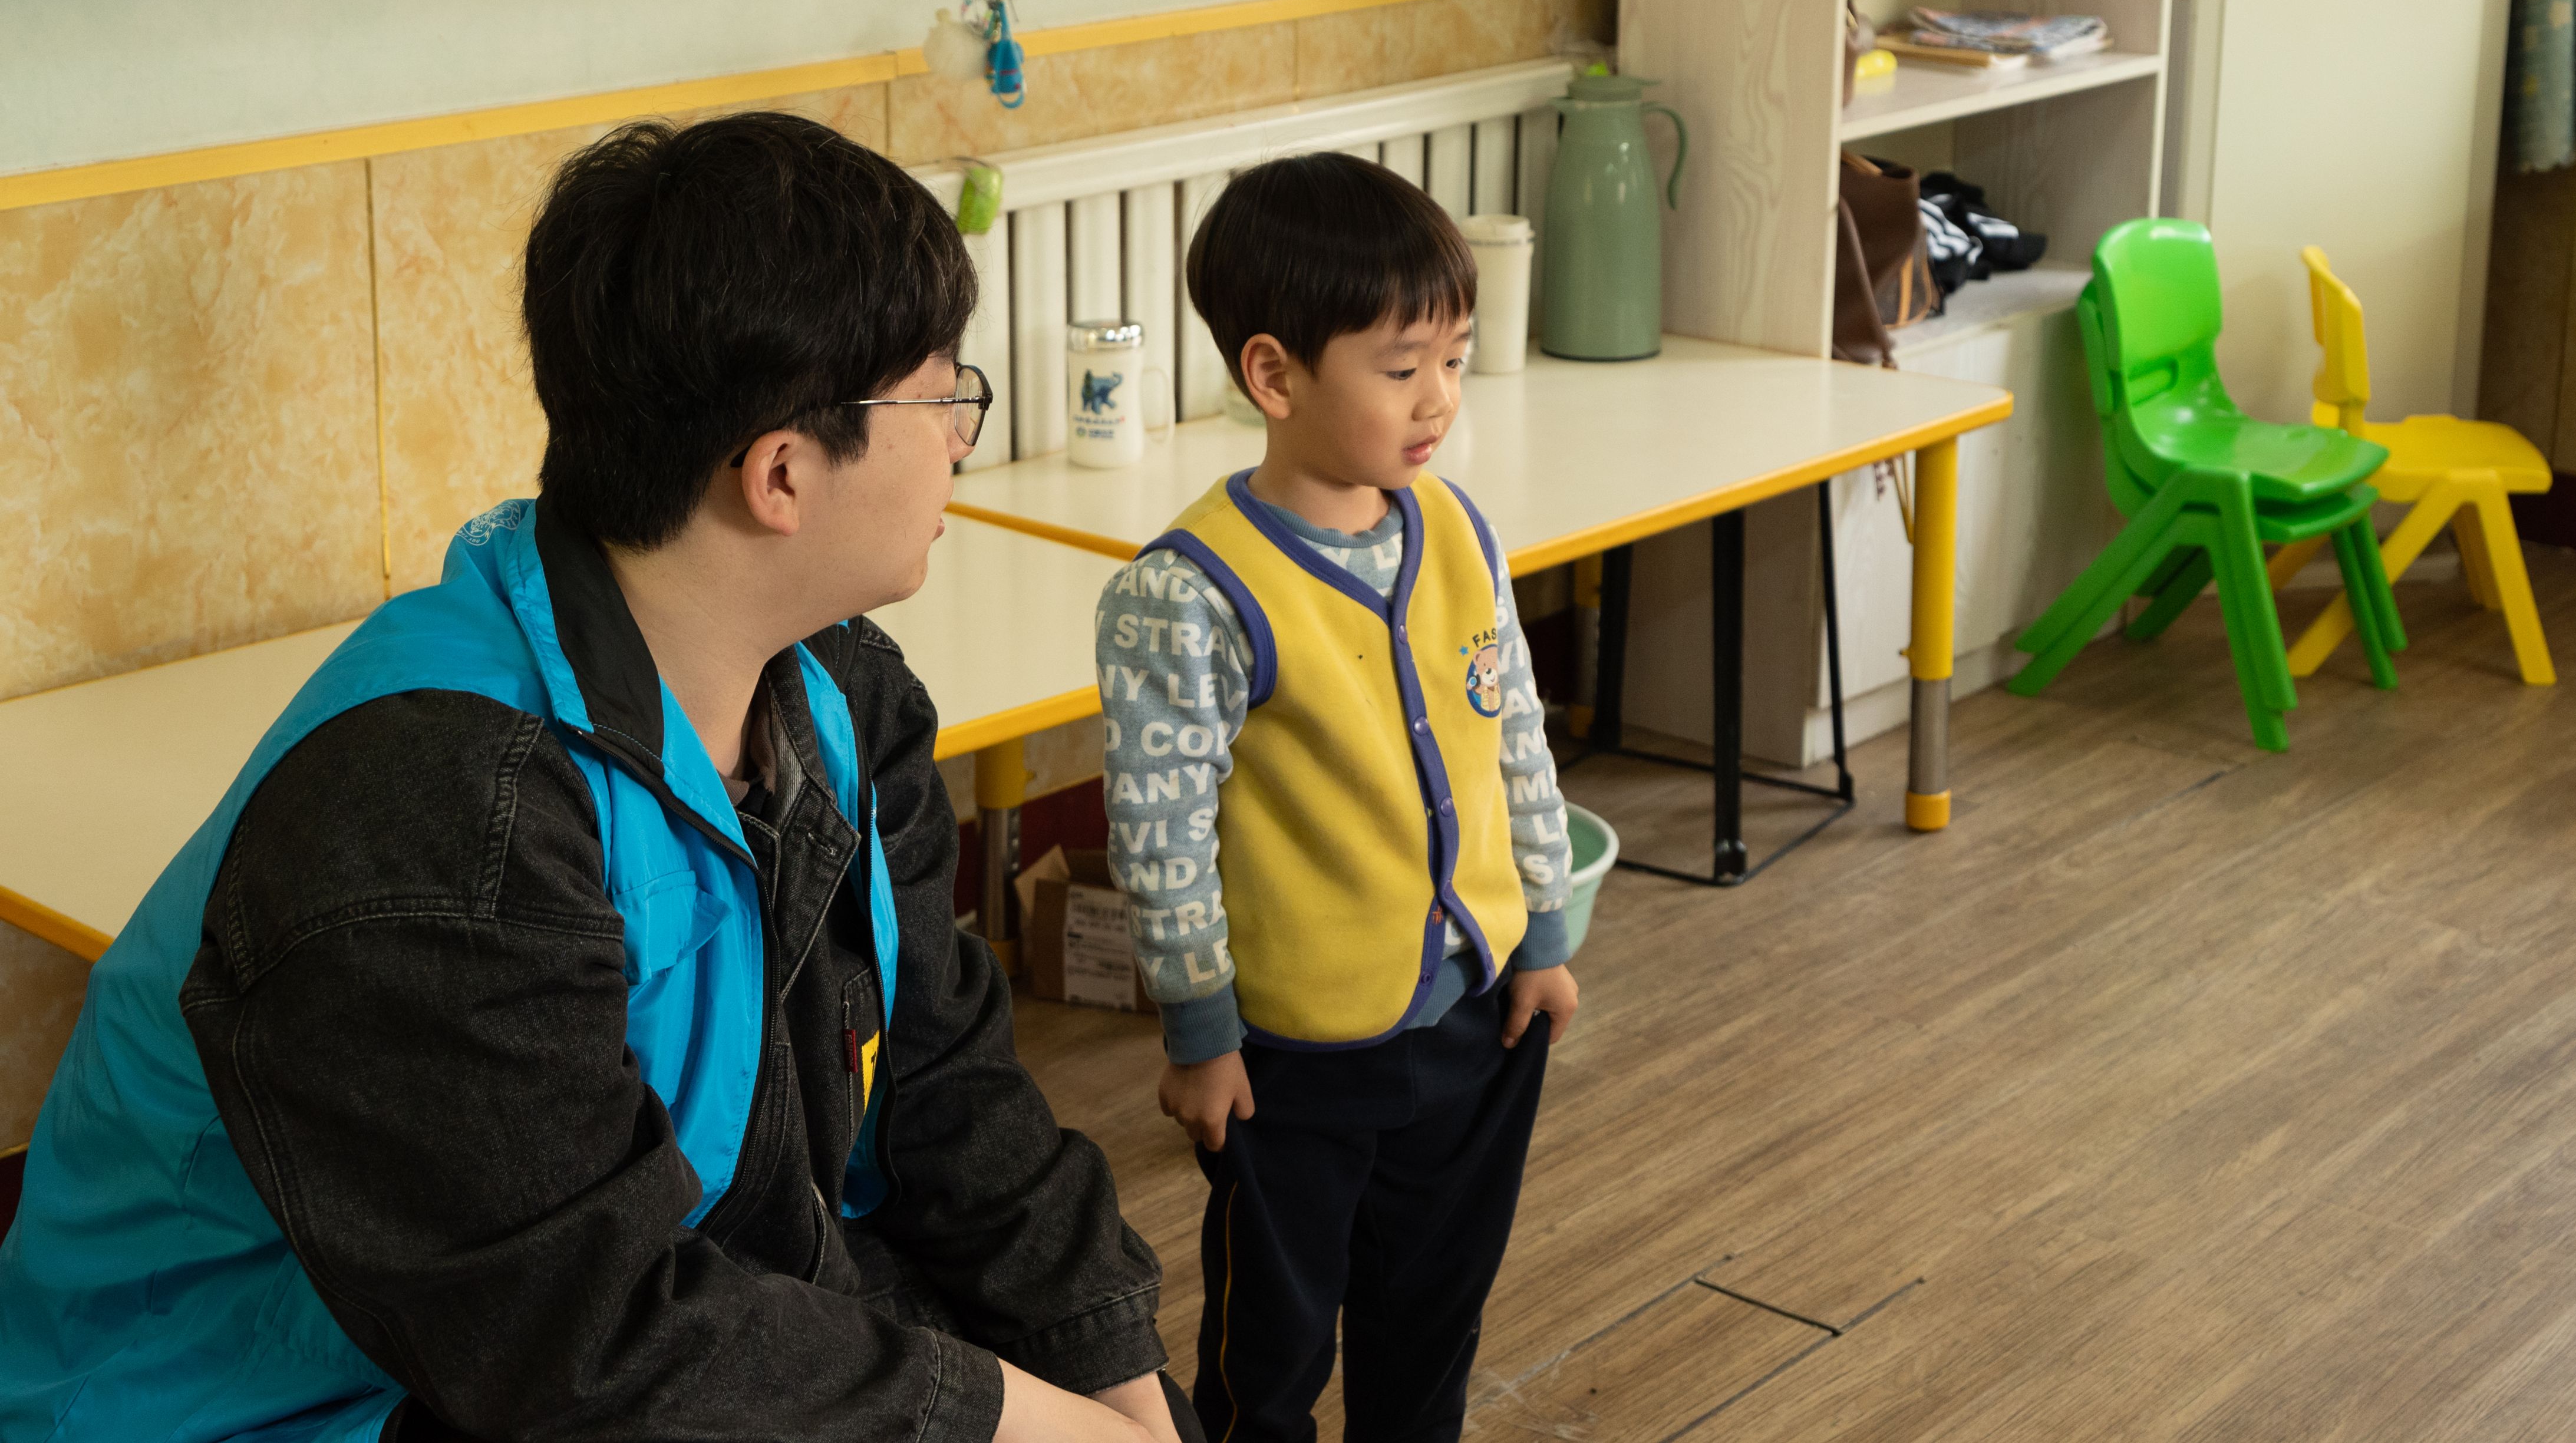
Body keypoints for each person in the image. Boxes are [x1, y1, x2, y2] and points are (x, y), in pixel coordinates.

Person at [0, 115, 1190, 1443]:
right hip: (313, 1403)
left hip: (625, 1315)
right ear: (781, 472)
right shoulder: (438, 812)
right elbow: (584, 1345)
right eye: (940, 395)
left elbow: (948, 1085)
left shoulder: (842, 689)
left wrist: (1116, 1383)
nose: (963, 435)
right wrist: (1018, 1418)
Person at [1091, 153, 1579, 1443]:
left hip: (1477, 1023)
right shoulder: (1185, 591)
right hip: (1295, 1062)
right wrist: (1200, 1030)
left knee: (1433, 1322)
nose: (1441, 398)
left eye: (1454, 359)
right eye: (1403, 365)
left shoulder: (1459, 528)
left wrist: (1539, 931)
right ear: (1274, 374)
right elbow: (1161, 837)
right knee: (1273, 1347)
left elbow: (1513, 732)